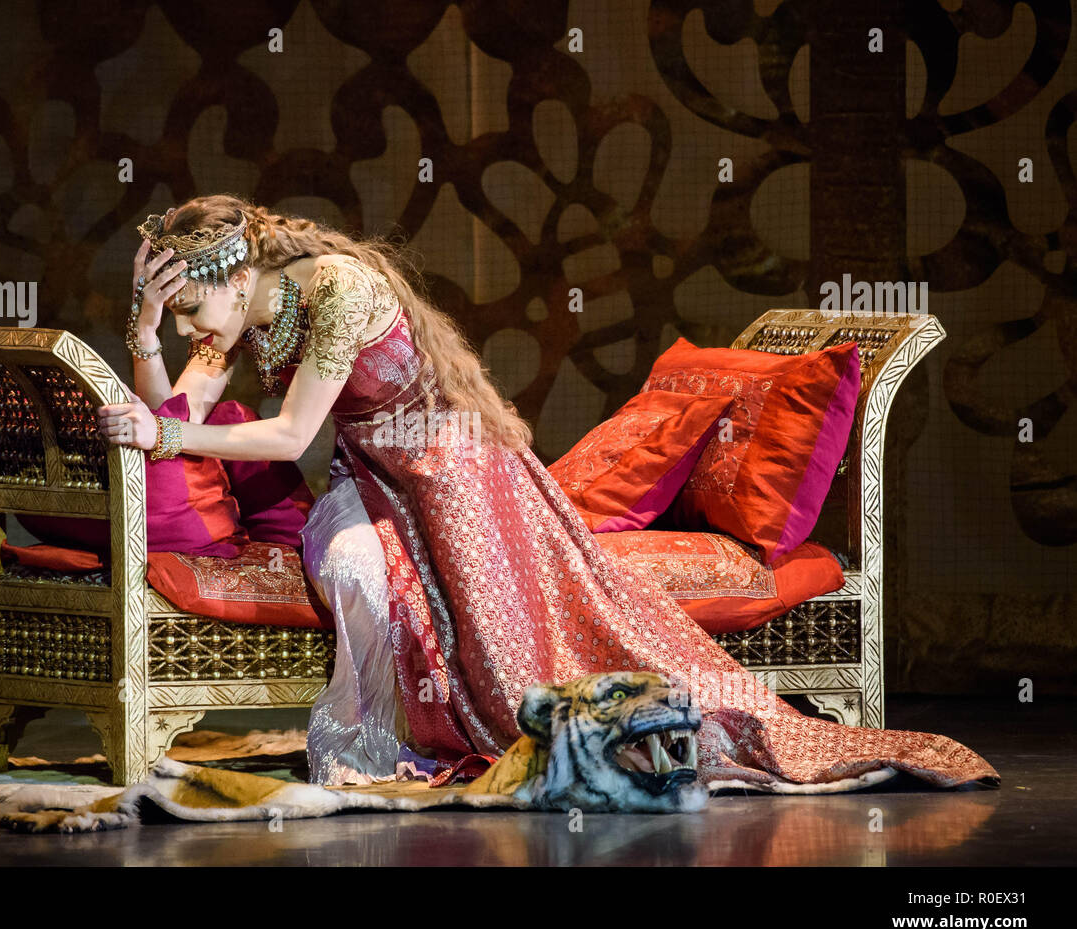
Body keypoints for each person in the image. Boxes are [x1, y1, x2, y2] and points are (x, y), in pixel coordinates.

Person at [99, 194, 999, 794]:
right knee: (351, 570)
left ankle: (450, 744)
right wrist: (144, 332)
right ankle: (369, 760)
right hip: (370, 475)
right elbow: (178, 406)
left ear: (237, 272)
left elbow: (280, 436)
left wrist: (165, 433)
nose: (188, 330)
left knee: (515, 647)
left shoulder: (336, 289)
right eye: (174, 317)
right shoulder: (241, 314)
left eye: (189, 311)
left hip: (453, 474)